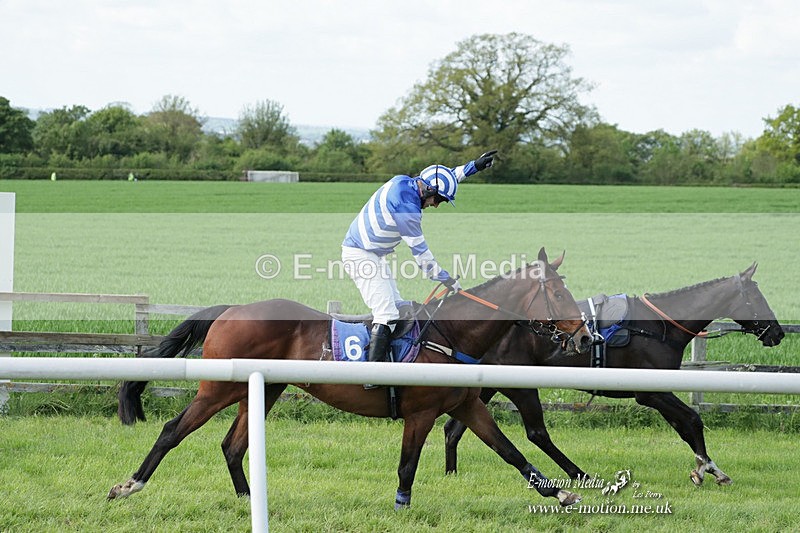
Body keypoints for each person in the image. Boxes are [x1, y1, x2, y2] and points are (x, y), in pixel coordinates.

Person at [341, 150, 498, 367]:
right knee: (387, 314)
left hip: (373, 255)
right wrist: (446, 279)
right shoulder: (407, 209)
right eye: (439, 200)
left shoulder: (411, 183)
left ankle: (393, 362)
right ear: (428, 191)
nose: (436, 205)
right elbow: (422, 257)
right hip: (360, 255)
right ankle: (371, 374)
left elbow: (448, 175)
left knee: (398, 308)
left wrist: (475, 166)